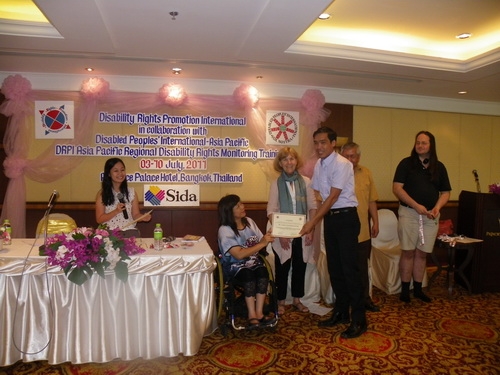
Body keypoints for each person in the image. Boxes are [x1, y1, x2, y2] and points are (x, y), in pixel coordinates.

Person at [300, 127, 366, 339]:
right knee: (335, 269)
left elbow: (333, 197)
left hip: (346, 218)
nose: (319, 147)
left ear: (333, 143)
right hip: (331, 219)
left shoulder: (343, 164)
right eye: (316, 143)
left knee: (350, 270)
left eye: (323, 143)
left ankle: (359, 319)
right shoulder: (320, 164)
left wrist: (312, 222)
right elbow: (320, 194)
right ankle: (341, 312)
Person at [393, 131, 451, 303]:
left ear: (431, 145)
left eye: (424, 143)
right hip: (409, 213)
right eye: (418, 142)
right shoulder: (406, 164)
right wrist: (415, 205)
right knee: (408, 252)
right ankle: (405, 290)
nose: (420, 145)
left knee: (422, 254)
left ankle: (418, 289)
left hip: (430, 216)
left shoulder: (439, 167)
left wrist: (437, 207)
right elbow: (397, 188)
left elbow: (446, 193)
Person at [267, 147, 317, 315]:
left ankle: (297, 300)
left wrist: (311, 229)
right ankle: (281, 301)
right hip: (283, 235)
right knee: (282, 267)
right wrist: (280, 233)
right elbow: (271, 210)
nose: (289, 162)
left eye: (292, 159)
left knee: (300, 266)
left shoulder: (307, 182)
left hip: (303, 233)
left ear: (297, 161)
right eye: (285, 159)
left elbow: (312, 207)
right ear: (280, 163)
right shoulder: (276, 184)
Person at [217, 194, 276, 329]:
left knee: (263, 273)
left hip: (254, 262)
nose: (242, 207)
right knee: (248, 276)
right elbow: (238, 255)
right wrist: (261, 244)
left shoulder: (249, 222)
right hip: (234, 267)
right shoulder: (224, 230)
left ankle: (260, 313)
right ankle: (251, 315)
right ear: (229, 211)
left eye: (241, 203)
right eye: (238, 206)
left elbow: (262, 240)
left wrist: (273, 233)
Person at [341, 142, 380, 312]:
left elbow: (372, 200)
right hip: (342, 232)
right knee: (344, 269)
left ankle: (365, 299)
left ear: (358, 157)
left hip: (363, 231)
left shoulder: (366, 173)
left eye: (353, 156)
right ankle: (345, 300)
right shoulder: (336, 173)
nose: (350, 159)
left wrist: (376, 222)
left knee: (362, 268)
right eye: (346, 156)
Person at [96, 158, 151, 230]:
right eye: (116, 171)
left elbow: (135, 215)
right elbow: (99, 219)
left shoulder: (131, 192)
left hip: (129, 230)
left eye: (122, 170)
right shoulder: (102, 194)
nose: (120, 173)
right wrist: (116, 211)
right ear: (109, 174)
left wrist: (143, 217)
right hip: (110, 233)